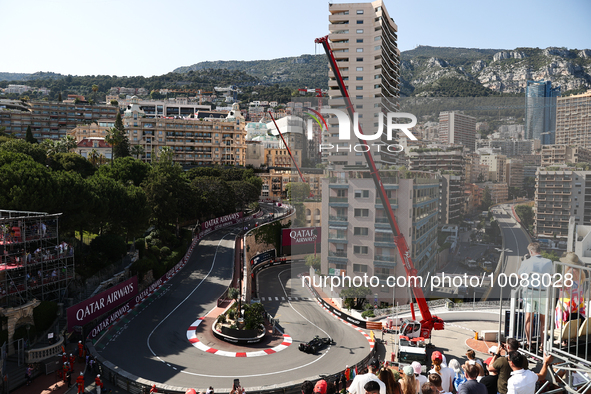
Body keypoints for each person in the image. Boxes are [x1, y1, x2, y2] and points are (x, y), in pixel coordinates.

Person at [517, 242, 553, 351]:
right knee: (543, 320)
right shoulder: (549, 262)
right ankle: (543, 344)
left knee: (529, 319)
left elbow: (520, 276)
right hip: (544, 292)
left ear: (531, 252)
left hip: (530, 292)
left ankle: (529, 343)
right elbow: (550, 276)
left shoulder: (527, 262)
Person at [554, 252, 586, 330]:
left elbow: (565, 286)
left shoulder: (570, 272)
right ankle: (572, 336)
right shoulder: (580, 272)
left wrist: (554, 284)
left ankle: (561, 338)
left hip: (567, 300)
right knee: (574, 320)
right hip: (577, 301)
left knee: (561, 317)